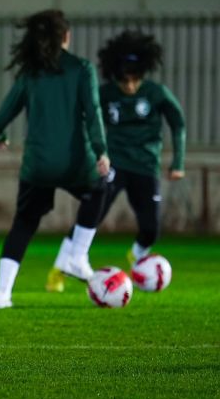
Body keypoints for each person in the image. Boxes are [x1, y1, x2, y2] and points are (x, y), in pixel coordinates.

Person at [0, 10, 110, 309]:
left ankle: (0, 293)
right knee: (100, 188)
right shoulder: (82, 68)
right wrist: (101, 150)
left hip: (38, 165)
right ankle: (77, 256)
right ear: (66, 36)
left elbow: (1, 116)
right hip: (75, 163)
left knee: (24, 223)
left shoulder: (30, 72)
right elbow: (93, 113)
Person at [46, 30, 186, 292]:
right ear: (114, 75)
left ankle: (138, 257)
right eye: (124, 80)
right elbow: (82, 118)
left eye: (135, 79)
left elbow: (178, 124)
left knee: (151, 229)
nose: (130, 86)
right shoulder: (105, 93)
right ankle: (59, 268)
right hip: (114, 164)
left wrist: (178, 162)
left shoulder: (156, 93)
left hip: (146, 166)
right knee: (91, 216)